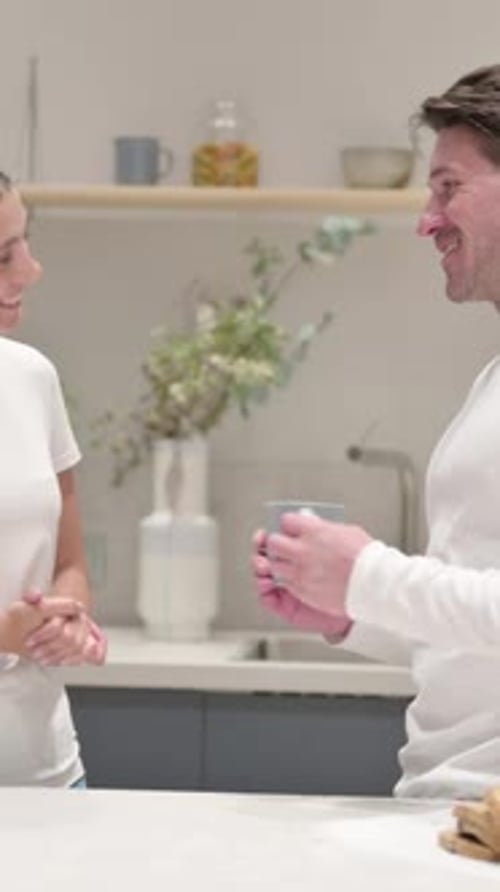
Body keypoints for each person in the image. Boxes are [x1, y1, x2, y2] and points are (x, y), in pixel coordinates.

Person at [252, 64, 500, 801]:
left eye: (448, 187)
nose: (426, 219)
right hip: (457, 806)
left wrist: (371, 577)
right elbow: (471, 645)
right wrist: (353, 613)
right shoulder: (492, 378)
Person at [0, 171, 106, 787]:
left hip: (51, 777)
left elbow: (70, 566)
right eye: (2, 255)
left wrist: (69, 624)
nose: (29, 269)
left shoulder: (32, 379)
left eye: (25, 243)